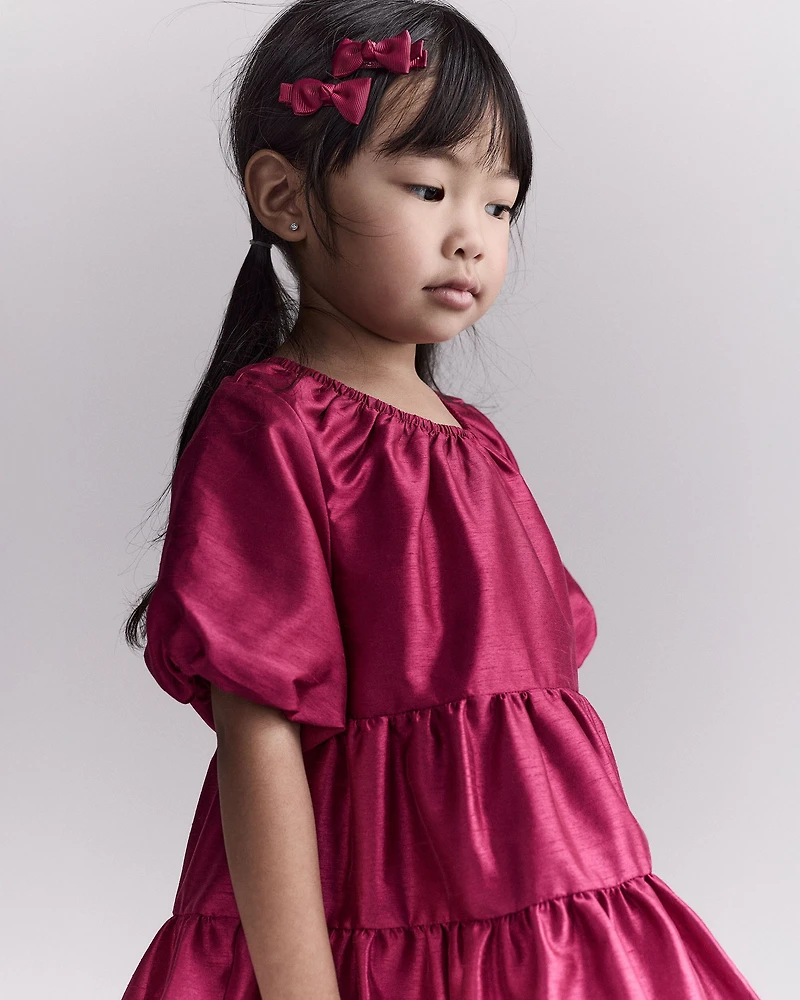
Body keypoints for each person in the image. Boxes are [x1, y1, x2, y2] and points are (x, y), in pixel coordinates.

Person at [121, 2, 762, 998]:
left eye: (500, 208)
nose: (472, 237)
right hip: (366, 912)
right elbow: (260, 735)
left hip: (537, 900)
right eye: (429, 188)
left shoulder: (478, 446)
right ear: (285, 196)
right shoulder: (276, 429)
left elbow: (534, 715)